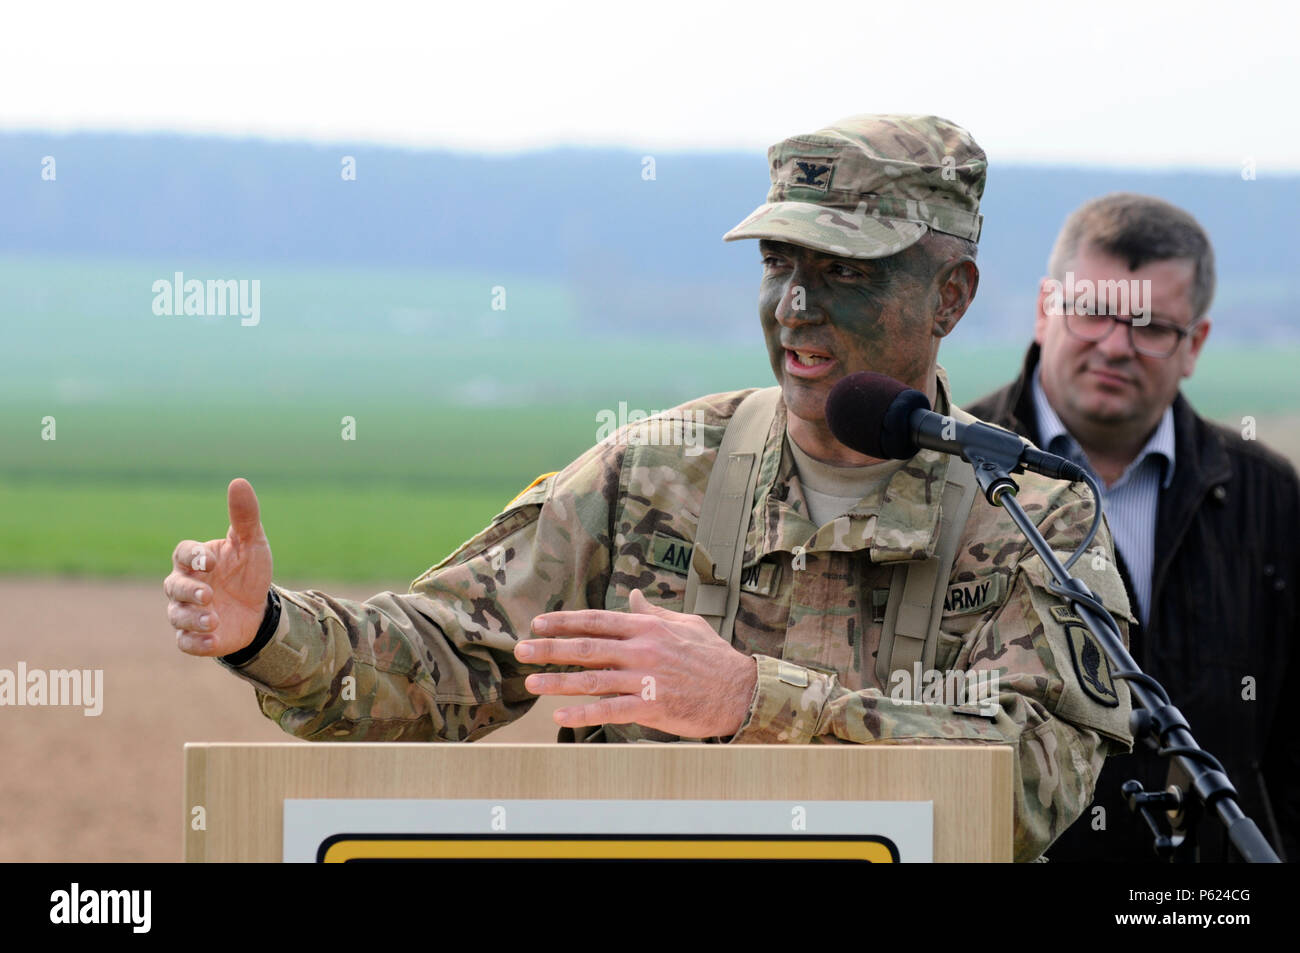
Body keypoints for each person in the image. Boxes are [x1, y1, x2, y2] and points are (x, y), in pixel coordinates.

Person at [163, 114, 1136, 862]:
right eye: (779, 264)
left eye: (843, 271)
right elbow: (448, 661)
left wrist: (752, 698)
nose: (795, 306)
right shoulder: (656, 469)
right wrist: (266, 630)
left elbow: (1030, 784)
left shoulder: (1028, 513)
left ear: (950, 296)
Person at [967, 192, 1299, 862]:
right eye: (1093, 313)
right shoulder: (953, 476)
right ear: (1045, 309)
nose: (1116, 346)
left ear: (1195, 343)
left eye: (1150, 327)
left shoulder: (1269, 497)